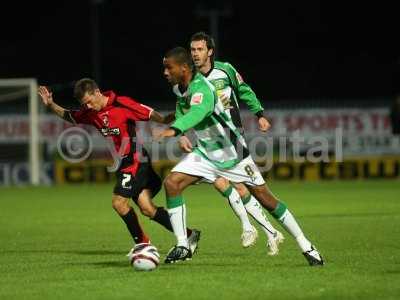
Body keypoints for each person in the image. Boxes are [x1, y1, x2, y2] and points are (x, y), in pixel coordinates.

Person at [155, 47, 324, 266]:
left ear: (184, 68)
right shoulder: (180, 88)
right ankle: (182, 245)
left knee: (267, 199)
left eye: (169, 68)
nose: (165, 72)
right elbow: (182, 106)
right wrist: (179, 127)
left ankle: (306, 245)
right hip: (205, 153)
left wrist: (176, 129)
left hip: (232, 153)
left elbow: (197, 112)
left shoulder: (204, 90)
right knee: (172, 182)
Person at [37, 78, 201, 259]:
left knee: (118, 203)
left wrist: (173, 124)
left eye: (89, 102)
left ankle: (143, 245)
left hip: (136, 160)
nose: (88, 107)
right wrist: (51, 104)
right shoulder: (90, 112)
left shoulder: (122, 103)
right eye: (85, 104)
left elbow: (153, 115)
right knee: (147, 208)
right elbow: (69, 115)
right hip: (125, 163)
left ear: (97, 92)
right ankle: (189, 234)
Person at [180, 31, 283, 255]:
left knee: (234, 184)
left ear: (210, 51)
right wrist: (183, 133)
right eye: (192, 50)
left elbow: (243, 90)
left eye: (199, 49)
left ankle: (253, 229)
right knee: (221, 183)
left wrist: (260, 114)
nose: (195, 54)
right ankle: (268, 232)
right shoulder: (190, 78)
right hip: (207, 139)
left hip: (231, 134)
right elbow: (186, 108)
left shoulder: (225, 70)